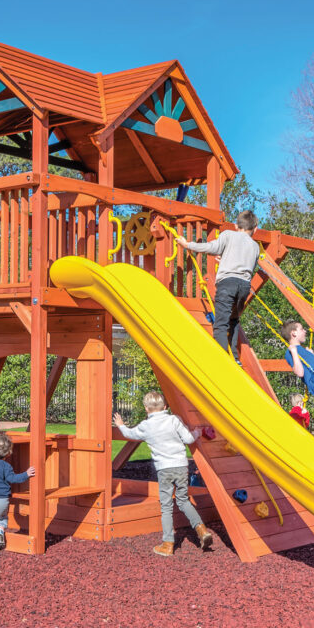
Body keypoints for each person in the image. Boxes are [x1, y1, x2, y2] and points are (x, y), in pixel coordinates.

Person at [113, 391, 213, 556]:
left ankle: (167, 544)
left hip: (164, 469)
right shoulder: (174, 420)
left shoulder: (146, 426)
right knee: (183, 501)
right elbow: (188, 439)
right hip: (181, 466)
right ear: (165, 407)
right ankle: (201, 530)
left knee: (166, 506)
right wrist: (198, 432)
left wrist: (121, 424)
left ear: (146, 408)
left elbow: (130, 434)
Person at [175, 210, 260, 364]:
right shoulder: (255, 246)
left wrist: (187, 244)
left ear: (236, 225)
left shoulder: (228, 235)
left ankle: (223, 360)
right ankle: (235, 358)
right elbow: (249, 266)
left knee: (221, 323)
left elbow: (211, 247)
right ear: (255, 228)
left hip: (227, 283)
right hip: (244, 285)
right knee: (234, 319)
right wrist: (227, 260)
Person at [0, 431, 35, 553]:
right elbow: (12, 479)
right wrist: (26, 474)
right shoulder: (6, 466)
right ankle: (0, 530)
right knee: (1, 517)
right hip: (1, 500)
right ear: (8, 454)